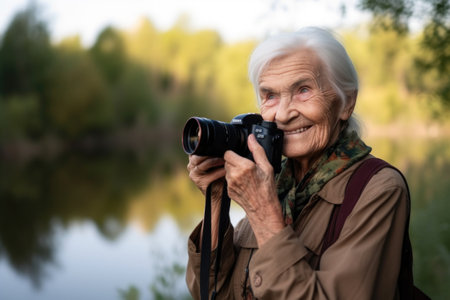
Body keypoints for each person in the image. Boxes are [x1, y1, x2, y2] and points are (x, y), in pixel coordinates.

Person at [185, 27, 410, 299]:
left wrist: (262, 213)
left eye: (303, 90)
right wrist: (218, 200)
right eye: (270, 95)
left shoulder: (377, 189)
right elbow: (212, 294)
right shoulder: (276, 181)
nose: (283, 114)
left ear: (346, 103)